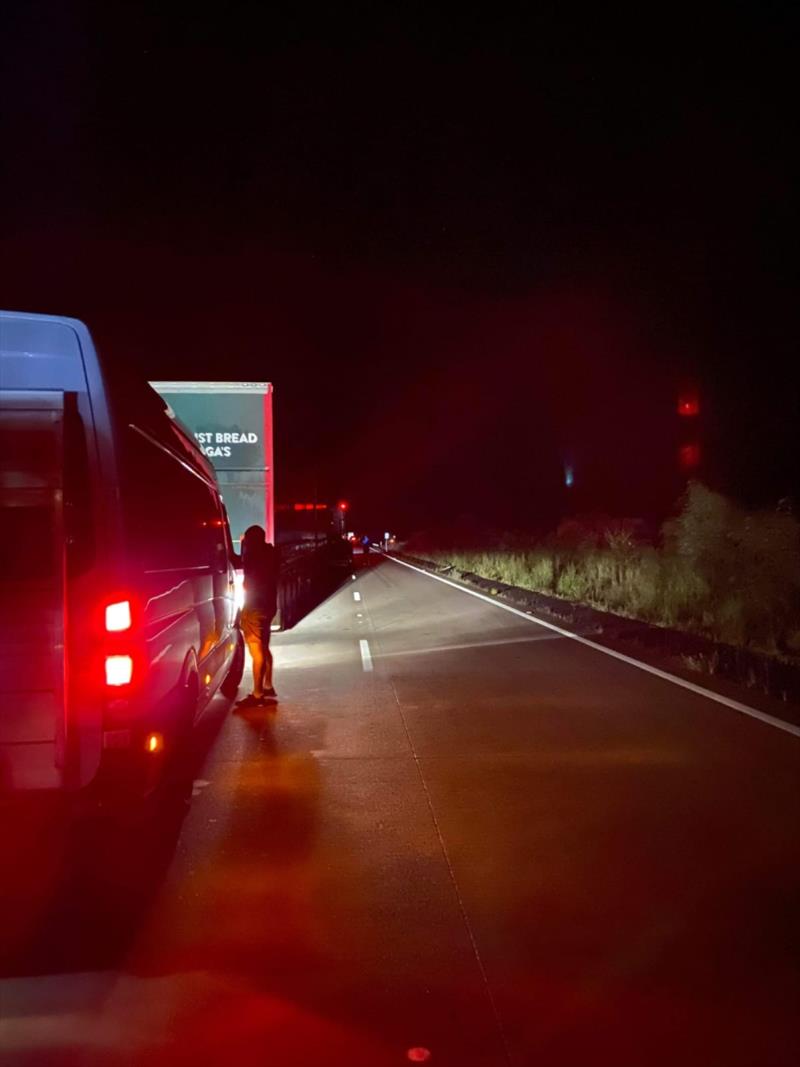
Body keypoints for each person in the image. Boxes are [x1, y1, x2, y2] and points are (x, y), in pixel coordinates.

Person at [234, 525, 279, 708]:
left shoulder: (253, 557)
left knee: (256, 650)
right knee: (265, 647)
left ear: (251, 542)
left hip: (254, 608)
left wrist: (242, 545)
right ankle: (268, 685)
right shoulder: (271, 554)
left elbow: (238, 562)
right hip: (269, 606)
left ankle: (258, 694)